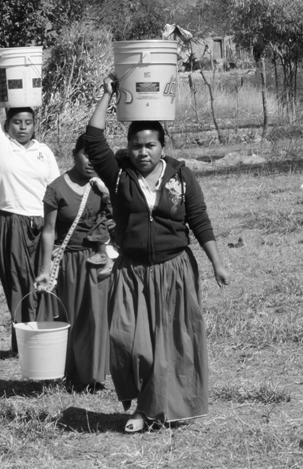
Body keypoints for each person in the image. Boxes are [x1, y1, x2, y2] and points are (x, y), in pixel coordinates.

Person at [83, 76, 231, 432]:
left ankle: (147, 411)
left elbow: (198, 219)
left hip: (173, 269)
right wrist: (107, 95)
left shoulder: (182, 176)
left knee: (169, 345)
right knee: (129, 342)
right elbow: (92, 140)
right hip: (132, 271)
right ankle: (147, 404)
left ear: (163, 147)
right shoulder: (119, 176)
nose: (143, 152)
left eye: (150, 145)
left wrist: (217, 262)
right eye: (136, 145)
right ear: (129, 148)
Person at [0, 46, 61, 352]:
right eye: (17, 122)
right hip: (11, 220)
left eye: (28, 122)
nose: (23, 127)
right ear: (7, 124)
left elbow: (56, 189)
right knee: (18, 282)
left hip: (43, 223)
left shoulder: (44, 152)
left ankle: (44, 334)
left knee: (45, 278)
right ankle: (23, 343)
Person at [34, 135, 112, 390]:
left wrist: (108, 194)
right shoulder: (56, 188)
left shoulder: (102, 186)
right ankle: (75, 376)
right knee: (75, 318)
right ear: (74, 153)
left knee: (98, 318)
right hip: (70, 261)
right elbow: (48, 231)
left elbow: (113, 220)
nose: (90, 161)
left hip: (97, 259)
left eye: (95, 156)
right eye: (85, 154)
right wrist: (45, 270)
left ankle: (95, 375)